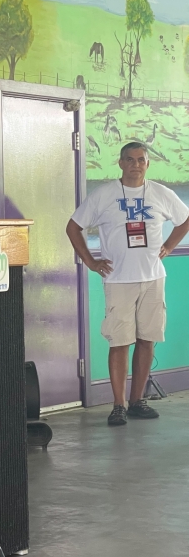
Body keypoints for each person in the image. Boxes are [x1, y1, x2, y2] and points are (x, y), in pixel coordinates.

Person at [66, 142, 189, 426]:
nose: (136, 164)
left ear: (148, 164)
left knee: (147, 340)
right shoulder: (105, 195)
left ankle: (137, 401)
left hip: (153, 278)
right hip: (119, 280)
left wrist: (170, 246)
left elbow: (184, 220)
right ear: (120, 163)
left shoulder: (160, 193)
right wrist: (91, 261)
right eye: (130, 160)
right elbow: (73, 227)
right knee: (120, 342)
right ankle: (118, 405)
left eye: (141, 160)